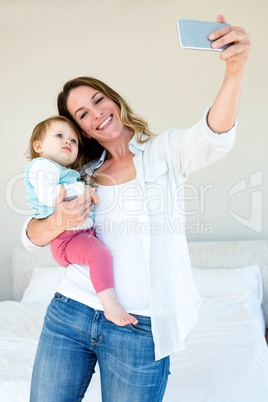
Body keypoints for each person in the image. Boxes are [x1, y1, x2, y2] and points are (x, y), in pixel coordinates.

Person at [22, 15, 251, 402]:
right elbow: (30, 237)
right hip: (70, 312)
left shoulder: (163, 153)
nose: (97, 113)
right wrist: (57, 220)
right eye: (82, 114)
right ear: (80, 130)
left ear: (113, 99)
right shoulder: (79, 174)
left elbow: (213, 136)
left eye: (99, 100)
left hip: (139, 328)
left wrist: (233, 71)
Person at [24, 115, 138, 327]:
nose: (68, 141)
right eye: (59, 136)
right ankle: (111, 304)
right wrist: (82, 190)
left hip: (77, 234)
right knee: (99, 254)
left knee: (99, 252)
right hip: (66, 238)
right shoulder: (42, 167)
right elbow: (50, 196)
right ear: (38, 145)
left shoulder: (66, 172)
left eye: (73, 140)